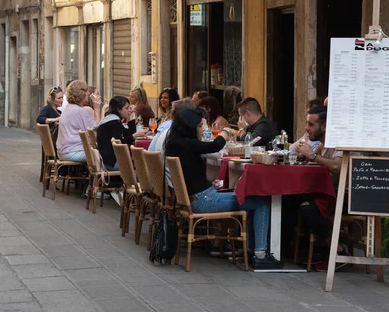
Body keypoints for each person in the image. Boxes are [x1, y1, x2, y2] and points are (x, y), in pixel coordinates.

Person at [164, 107, 283, 269]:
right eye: (199, 126)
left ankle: (250, 250)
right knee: (261, 201)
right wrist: (225, 133)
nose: (202, 129)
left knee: (246, 197)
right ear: (190, 127)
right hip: (204, 200)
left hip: (194, 198)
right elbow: (215, 146)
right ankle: (260, 254)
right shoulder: (188, 143)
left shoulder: (174, 143)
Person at [293, 105, 347, 269]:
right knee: (290, 200)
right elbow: (312, 157)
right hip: (326, 192)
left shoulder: (339, 140)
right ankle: (299, 250)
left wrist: (313, 155)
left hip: (345, 195)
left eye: (311, 124)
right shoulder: (323, 143)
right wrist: (301, 153)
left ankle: (337, 249)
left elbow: (337, 166)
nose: (306, 128)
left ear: (324, 126)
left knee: (307, 209)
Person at [96, 96, 148, 171]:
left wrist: (130, 118)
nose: (129, 111)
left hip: (106, 159)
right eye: (126, 108)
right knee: (141, 166)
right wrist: (134, 136)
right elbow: (119, 144)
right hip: (111, 162)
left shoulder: (111, 119)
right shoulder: (114, 123)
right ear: (118, 109)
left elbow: (127, 133)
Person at [56, 80, 101, 162]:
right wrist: (97, 108)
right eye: (87, 91)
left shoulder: (68, 108)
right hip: (73, 152)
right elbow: (95, 132)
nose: (88, 93)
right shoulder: (80, 111)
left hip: (64, 151)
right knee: (104, 156)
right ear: (81, 93)